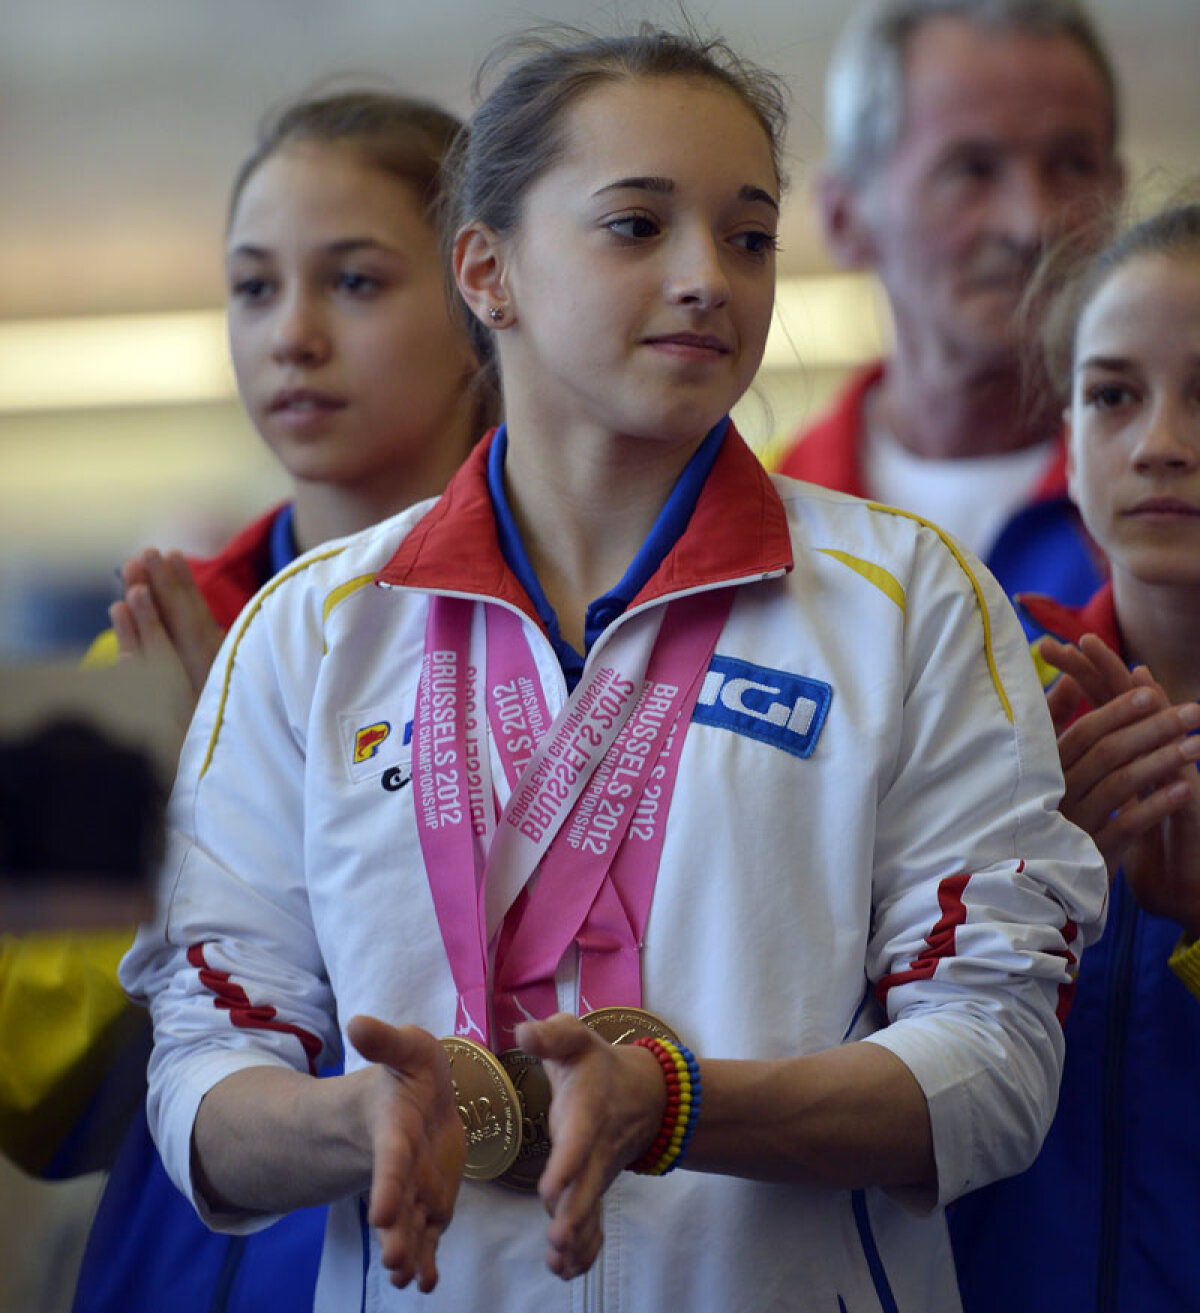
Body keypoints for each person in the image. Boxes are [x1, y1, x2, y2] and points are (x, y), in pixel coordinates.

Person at [120, 26, 1107, 1311]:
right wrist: (360, 1121)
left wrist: (677, 1101)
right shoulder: (310, 634)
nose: (709, 277)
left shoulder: (906, 601)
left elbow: (998, 1058)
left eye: (749, 236)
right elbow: (202, 1068)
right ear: (488, 270)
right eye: (638, 226)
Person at [28, 88, 489, 1313]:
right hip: (182, 1262)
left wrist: (246, 803)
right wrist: (168, 812)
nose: (291, 334)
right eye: (252, 287)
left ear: (483, 298)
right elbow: (31, 1101)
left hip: (468, 1249)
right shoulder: (146, 654)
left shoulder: (591, 631)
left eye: (354, 282)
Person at [950, 202, 1200, 1311]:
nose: (1158, 442)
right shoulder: (972, 707)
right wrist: (1017, 886)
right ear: (1067, 431)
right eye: (1112, 394)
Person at [772, 0, 1124, 614]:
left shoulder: (1175, 496)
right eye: (972, 170)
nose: (1031, 224)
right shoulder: (757, 517)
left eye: (1071, 165)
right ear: (844, 216)